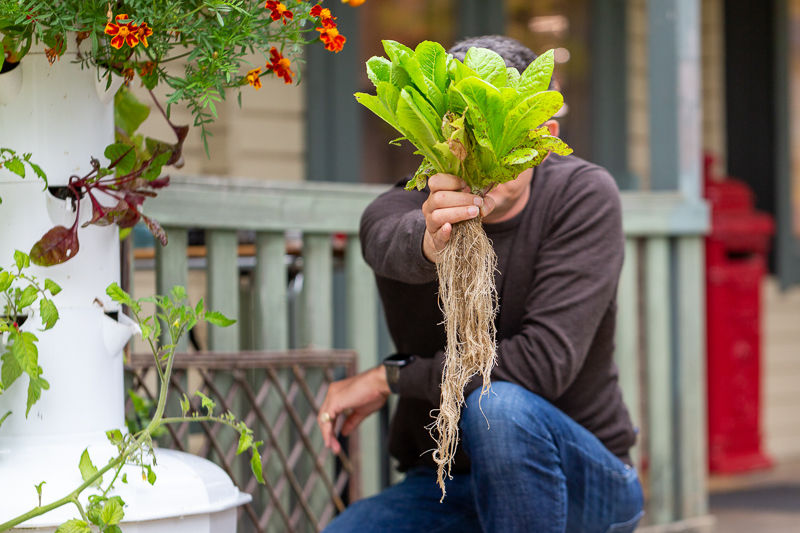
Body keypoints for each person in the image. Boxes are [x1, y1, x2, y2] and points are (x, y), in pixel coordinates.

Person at [317, 35, 644, 533]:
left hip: (581, 480)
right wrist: (432, 241)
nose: (473, 154)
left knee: (500, 405)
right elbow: (385, 239)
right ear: (436, 133)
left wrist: (392, 377)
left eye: (498, 133)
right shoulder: (398, 209)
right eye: (461, 131)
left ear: (544, 136)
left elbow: (542, 363)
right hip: (449, 485)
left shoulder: (582, 195)